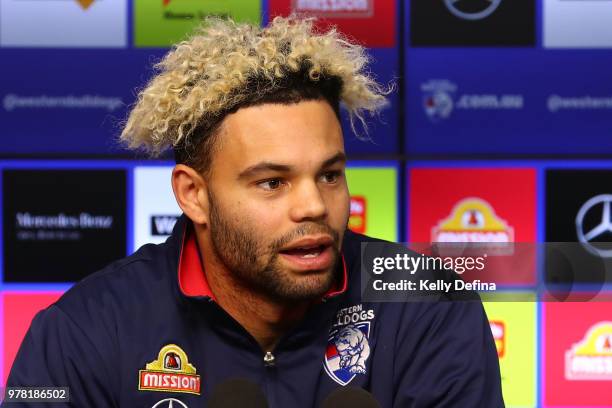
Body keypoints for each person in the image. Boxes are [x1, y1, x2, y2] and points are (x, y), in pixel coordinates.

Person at [4, 17, 503, 407]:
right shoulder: (82, 331)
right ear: (193, 195)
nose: (314, 206)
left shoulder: (429, 309)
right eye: (272, 182)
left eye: (329, 175)